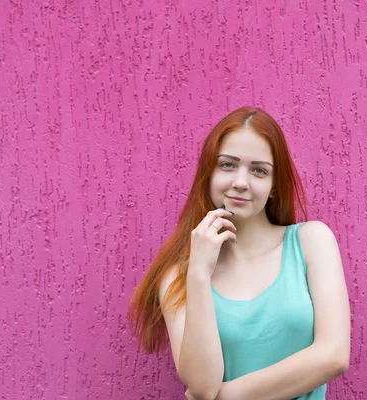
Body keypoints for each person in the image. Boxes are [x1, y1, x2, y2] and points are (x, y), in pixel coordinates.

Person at [128, 107, 351, 400]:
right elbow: (203, 385)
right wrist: (198, 272)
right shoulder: (178, 277)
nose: (241, 182)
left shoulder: (312, 242)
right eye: (228, 165)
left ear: (273, 186)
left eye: (259, 170)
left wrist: (228, 397)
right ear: (208, 174)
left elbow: (333, 356)